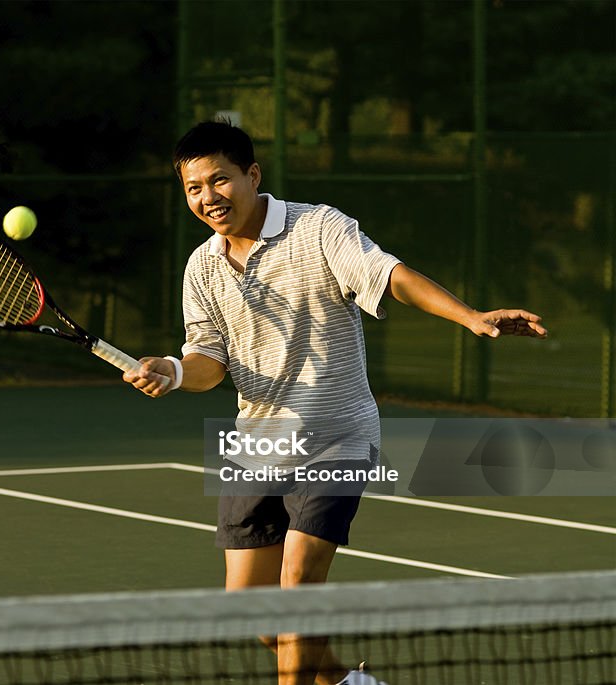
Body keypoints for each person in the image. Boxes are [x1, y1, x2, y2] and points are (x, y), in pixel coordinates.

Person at [122, 120, 548, 685]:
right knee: (259, 616)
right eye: (193, 189)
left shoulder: (319, 227)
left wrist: (469, 316)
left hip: (339, 435)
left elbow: (389, 275)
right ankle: (350, 682)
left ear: (252, 175)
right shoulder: (201, 266)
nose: (208, 198)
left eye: (219, 181)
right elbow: (210, 362)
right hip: (258, 443)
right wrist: (174, 372)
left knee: (297, 587)